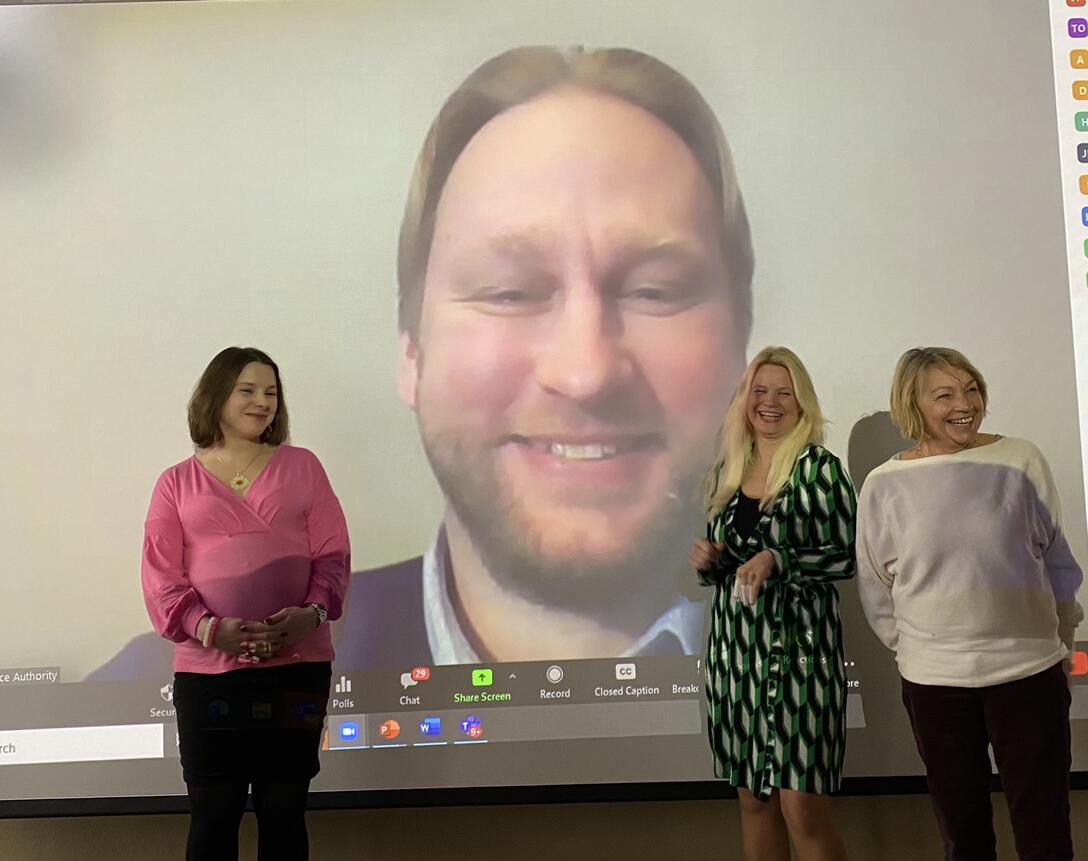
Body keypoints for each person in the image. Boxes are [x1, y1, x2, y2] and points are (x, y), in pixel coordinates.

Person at [90, 43, 754, 679]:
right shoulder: (157, 688)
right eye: (509, 291)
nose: (585, 372)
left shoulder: (847, 650)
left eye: (657, 291)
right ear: (411, 350)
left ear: (741, 345)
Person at [856, 347, 1082, 861]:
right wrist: (923, 652)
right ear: (914, 404)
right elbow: (878, 587)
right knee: (965, 847)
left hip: (1028, 675)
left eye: (971, 389)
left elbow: (1058, 561)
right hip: (936, 687)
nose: (965, 405)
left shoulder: (1019, 459)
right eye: (945, 395)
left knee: (1046, 848)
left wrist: (1058, 640)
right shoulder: (884, 485)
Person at [141, 346, 350, 861]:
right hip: (207, 675)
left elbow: (333, 554)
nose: (263, 403)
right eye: (248, 391)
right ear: (216, 397)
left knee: (285, 811)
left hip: (298, 670)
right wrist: (212, 630)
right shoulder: (175, 484)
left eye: (272, 393)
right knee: (214, 813)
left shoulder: (303, 467)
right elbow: (161, 577)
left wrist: (308, 617)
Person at [690, 347, 860, 861]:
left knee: (801, 808)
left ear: (801, 402)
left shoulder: (819, 468)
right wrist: (710, 562)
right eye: (759, 390)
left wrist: (778, 556)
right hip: (736, 657)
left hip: (802, 657)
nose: (769, 402)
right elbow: (727, 572)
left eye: (783, 392)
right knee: (754, 802)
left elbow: (846, 554)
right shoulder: (727, 472)